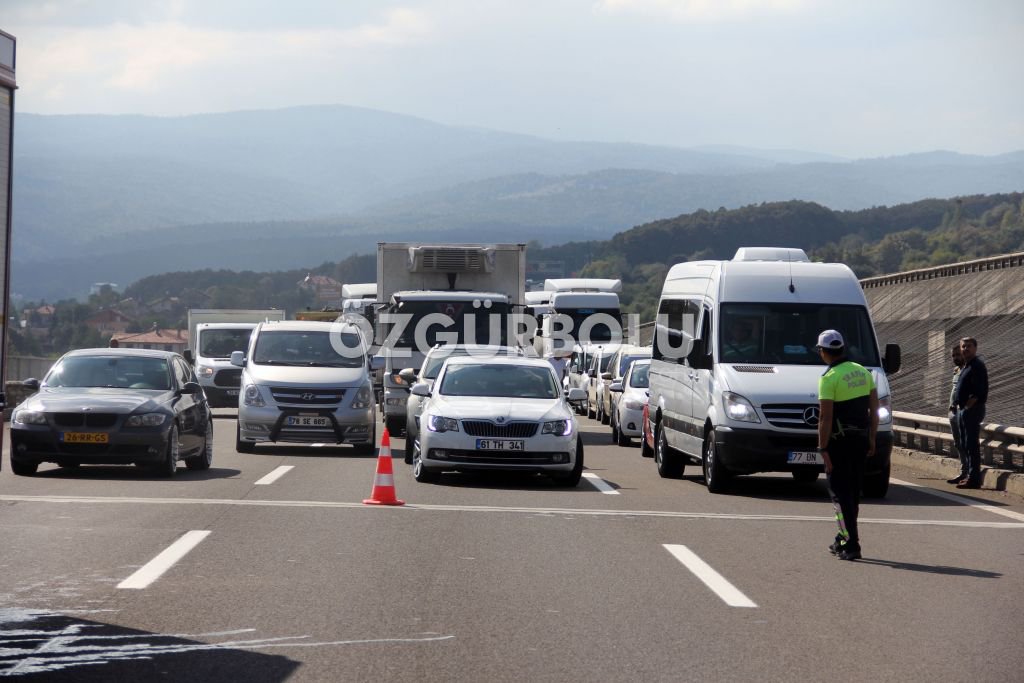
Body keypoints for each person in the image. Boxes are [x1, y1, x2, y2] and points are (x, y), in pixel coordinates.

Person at [816, 329, 878, 561]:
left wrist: (823, 448)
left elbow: (825, 418)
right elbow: (874, 411)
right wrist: (872, 438)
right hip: (860, 440)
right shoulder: (863, 372)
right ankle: (841, 539)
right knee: (852, 493)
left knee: (839, 497)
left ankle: (852, 544)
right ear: (842, 348)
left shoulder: (829, 378)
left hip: (838, 444)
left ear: (823, 352)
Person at [953, 337, 988, 489]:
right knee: (965, 444)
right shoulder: (967, 365)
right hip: (964, 410)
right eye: (963, 346)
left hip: (972, 410)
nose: (965, 349)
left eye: (969, 346)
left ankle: (974, 479)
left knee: (971, 444)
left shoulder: (977, 366)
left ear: (975, 348)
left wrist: (967, 407)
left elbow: (980, 391)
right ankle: (969, 475)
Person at [945, 343, 966, 484]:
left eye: (958, 354)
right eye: (953, 355)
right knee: (958, 443)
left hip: (963, 411)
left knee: (965, 443)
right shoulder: (956, 370)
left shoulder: (968, 370)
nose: (955, 357)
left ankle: (967, 472)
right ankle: (964, 471)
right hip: (953, 412)